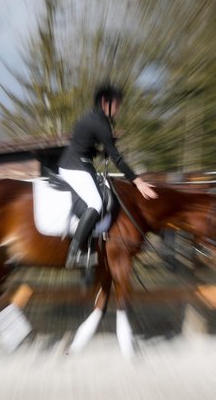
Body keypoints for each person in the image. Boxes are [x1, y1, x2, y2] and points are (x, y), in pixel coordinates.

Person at [58, 83, 158, 268]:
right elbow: (117, 158)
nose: (118, 110)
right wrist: (138, 182)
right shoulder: (100, 121)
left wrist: (98, 152)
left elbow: (82, 143)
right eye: (117, 105)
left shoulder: (93, 117)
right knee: (95, 203)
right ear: (106, 102)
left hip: (81, 163)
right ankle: (76, 249)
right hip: (73, 167)